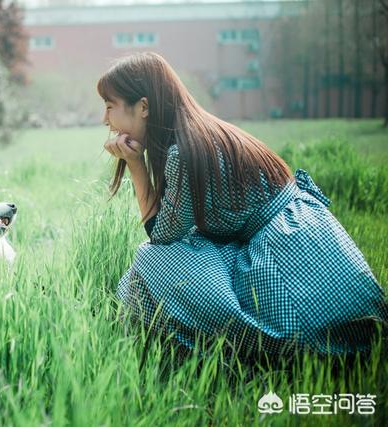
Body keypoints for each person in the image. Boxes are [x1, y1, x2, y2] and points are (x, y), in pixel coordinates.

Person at [98, 52, 387, 356]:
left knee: (151, 260)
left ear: (143, 107)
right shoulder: (199, 134)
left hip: (285, 253)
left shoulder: (183, 153)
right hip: (306, 236)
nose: (105, 120)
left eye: (109, 107)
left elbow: (161, 238)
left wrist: (135, 164)